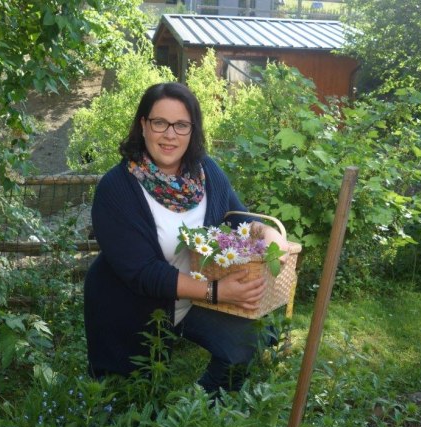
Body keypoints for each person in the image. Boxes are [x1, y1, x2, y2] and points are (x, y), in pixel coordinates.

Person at [83, 82, 288, 393]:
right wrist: (217, 291)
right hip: (131, 306)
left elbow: (239, 220)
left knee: (250, 340)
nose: (170, 134)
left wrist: (271, 235)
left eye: (181, 125)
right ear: (143, 125)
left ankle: (200, 406)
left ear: (193, 130)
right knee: (132, 399)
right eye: (160, 123)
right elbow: (142, 273)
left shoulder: (206, 173)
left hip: (195, 301)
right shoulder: (116, 189)